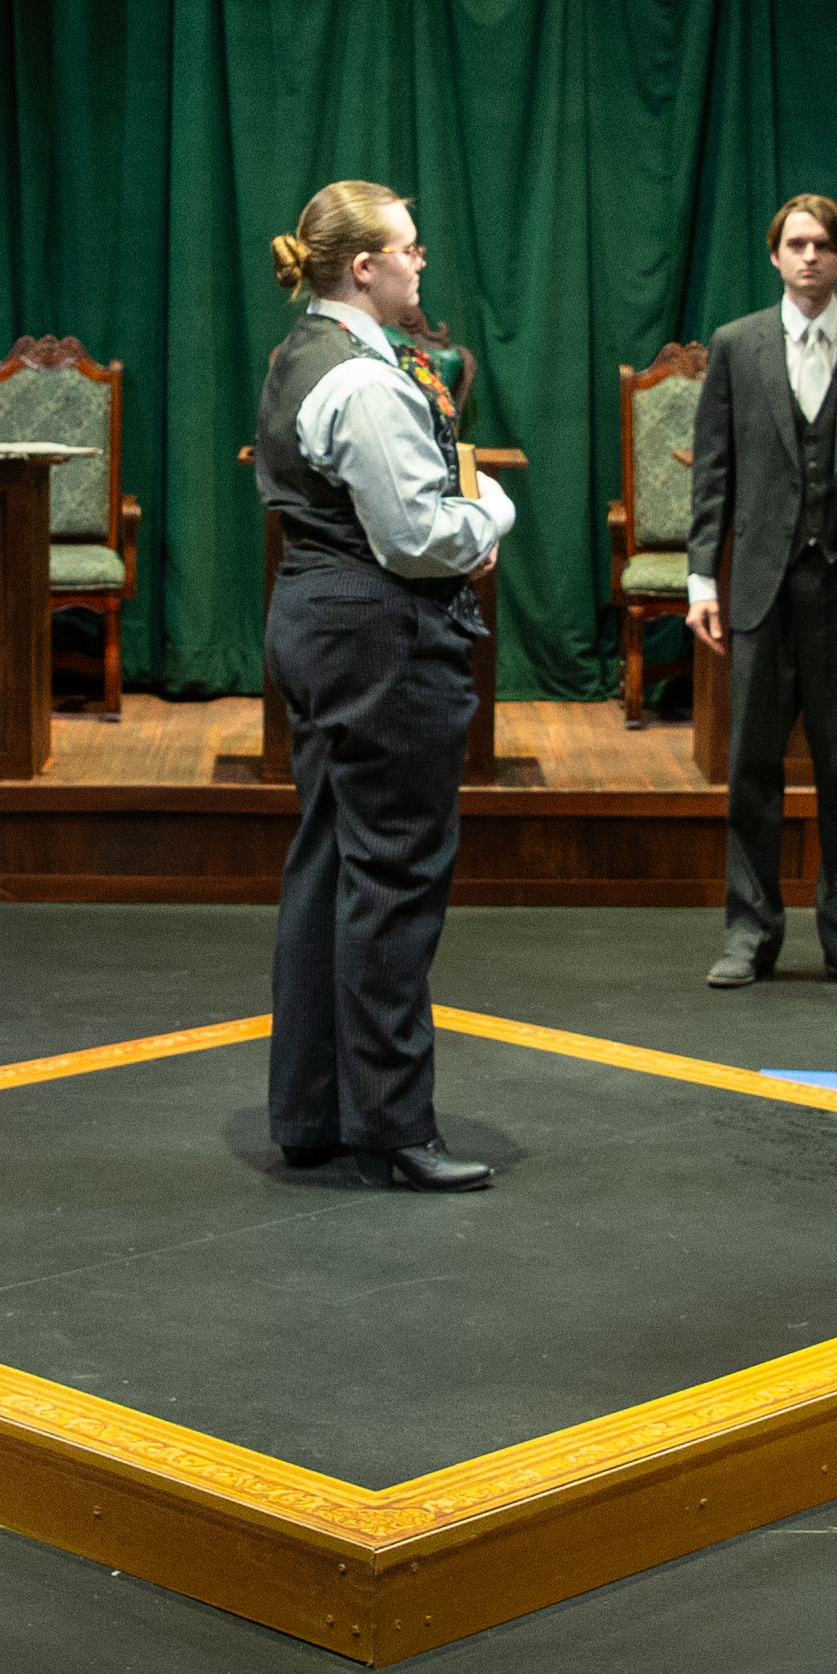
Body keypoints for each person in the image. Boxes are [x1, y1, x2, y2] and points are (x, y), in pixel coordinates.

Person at [256, 181, 515, 1191]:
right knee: (395, 883)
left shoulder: (302, 352)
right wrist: (492, 513)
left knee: (329, 865)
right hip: (379, 638)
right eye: (409, 249)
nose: (420, 263)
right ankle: (394, 1128)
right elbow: (417, 537)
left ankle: (311, 1113)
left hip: (317, 620)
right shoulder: (363, 382)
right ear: (364, 267)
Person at [689, 194, 837, 990]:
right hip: (763, 586)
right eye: (796, 243)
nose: (810, 256)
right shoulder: (737, 344)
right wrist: (701, 576)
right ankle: (749, 933)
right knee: (751, 764)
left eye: (824, 244)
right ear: (774, 254)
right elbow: (713, 472)